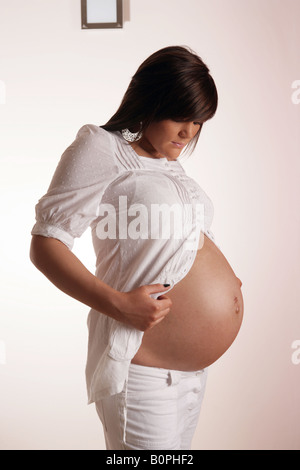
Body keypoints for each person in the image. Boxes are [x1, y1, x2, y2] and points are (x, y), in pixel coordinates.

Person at [30, 45, 243, 450]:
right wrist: (117, 304)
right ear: (150, 99)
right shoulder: (101, 148)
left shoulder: (169, 164)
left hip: (190, 377)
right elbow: (46, 243)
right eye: (181, 117)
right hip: (142, 373)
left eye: (198, 121)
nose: (190, 132)